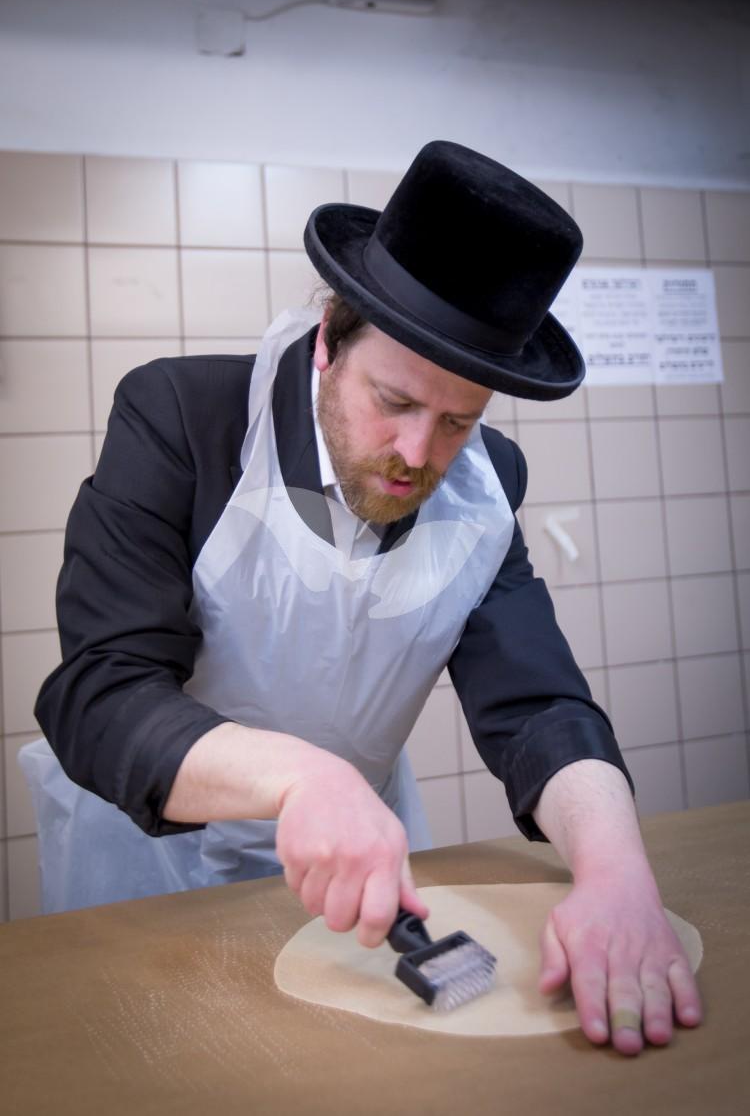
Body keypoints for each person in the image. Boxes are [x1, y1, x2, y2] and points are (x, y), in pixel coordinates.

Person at [30, 140, 701, 1056]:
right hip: (154, 840)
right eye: (392, 401)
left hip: (363, 851)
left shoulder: (484, 487)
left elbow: (536, 701)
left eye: (458, 419)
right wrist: (305, 776)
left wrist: (618, 872)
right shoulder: (184, 417)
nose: (419, 454)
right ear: (326, 348)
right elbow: (98, 693)